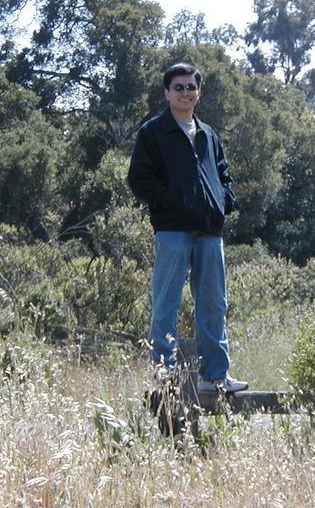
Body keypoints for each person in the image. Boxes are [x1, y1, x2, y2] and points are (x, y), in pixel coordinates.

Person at [127, 62, 248, 393]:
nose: (185, 93)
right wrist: (170, 202)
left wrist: (224, 201)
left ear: (199, 92)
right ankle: (164, 374)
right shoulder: (153, 132)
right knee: (166, 303)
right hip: (172, 231)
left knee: (213, 303)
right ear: (167, 92)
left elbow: (223, 174)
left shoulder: (208, 134)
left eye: (190, 87)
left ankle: (215, 377)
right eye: (178, 87)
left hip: (209, 230)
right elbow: (138, 179)